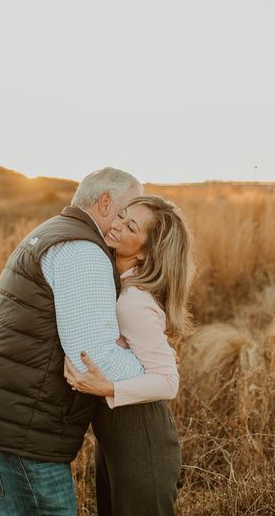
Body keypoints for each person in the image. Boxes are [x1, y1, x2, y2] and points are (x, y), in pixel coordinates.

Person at [0, 167, 146, 516]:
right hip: (19, 435)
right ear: (104, 202)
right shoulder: (84, 252)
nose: (132, 217)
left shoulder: (52, 232)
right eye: (130, 208)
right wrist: (153, 364)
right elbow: (92, 361)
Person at [64, 195, 194, 516]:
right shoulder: (114, 283)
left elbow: (168, 382)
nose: (117, 225)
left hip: (142, 439)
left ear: (146, 251)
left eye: (130, 226)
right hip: (118, 438)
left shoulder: (134, 300)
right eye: (121, 216)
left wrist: (109, 388)